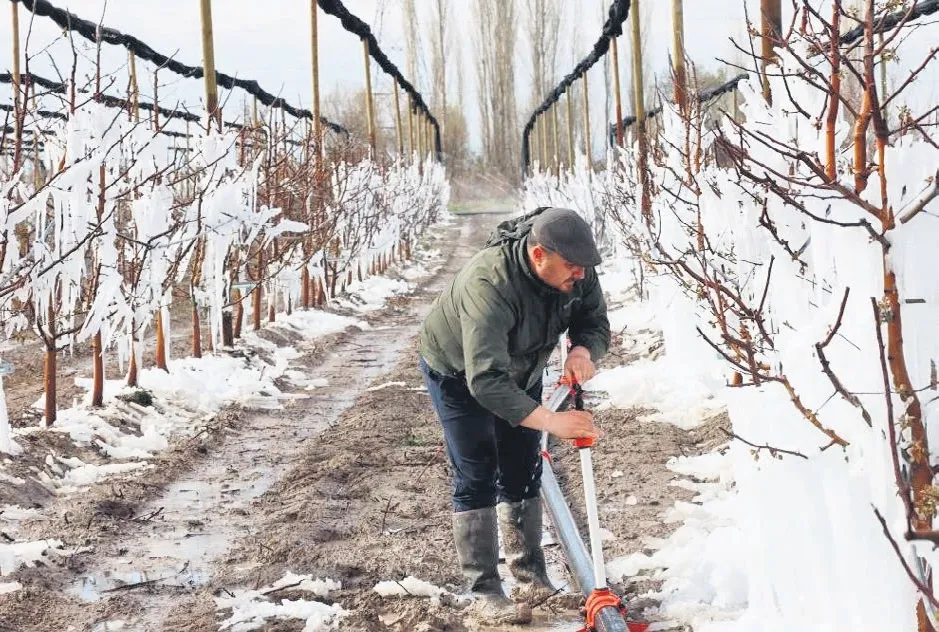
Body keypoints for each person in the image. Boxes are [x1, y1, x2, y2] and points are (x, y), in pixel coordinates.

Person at [419, 206, 610, 625]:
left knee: (523, 466)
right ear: (539, 255)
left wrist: (582, 349)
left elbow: (593, 321)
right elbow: (485, 380)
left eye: (583, 268)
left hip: (522, 368)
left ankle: (530, 575)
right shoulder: (489, 284)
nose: (580, 275)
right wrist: (551, 421)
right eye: (572, 267)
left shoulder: (576, 266)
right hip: (460, 374)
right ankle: (485, 588)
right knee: (477, 470)